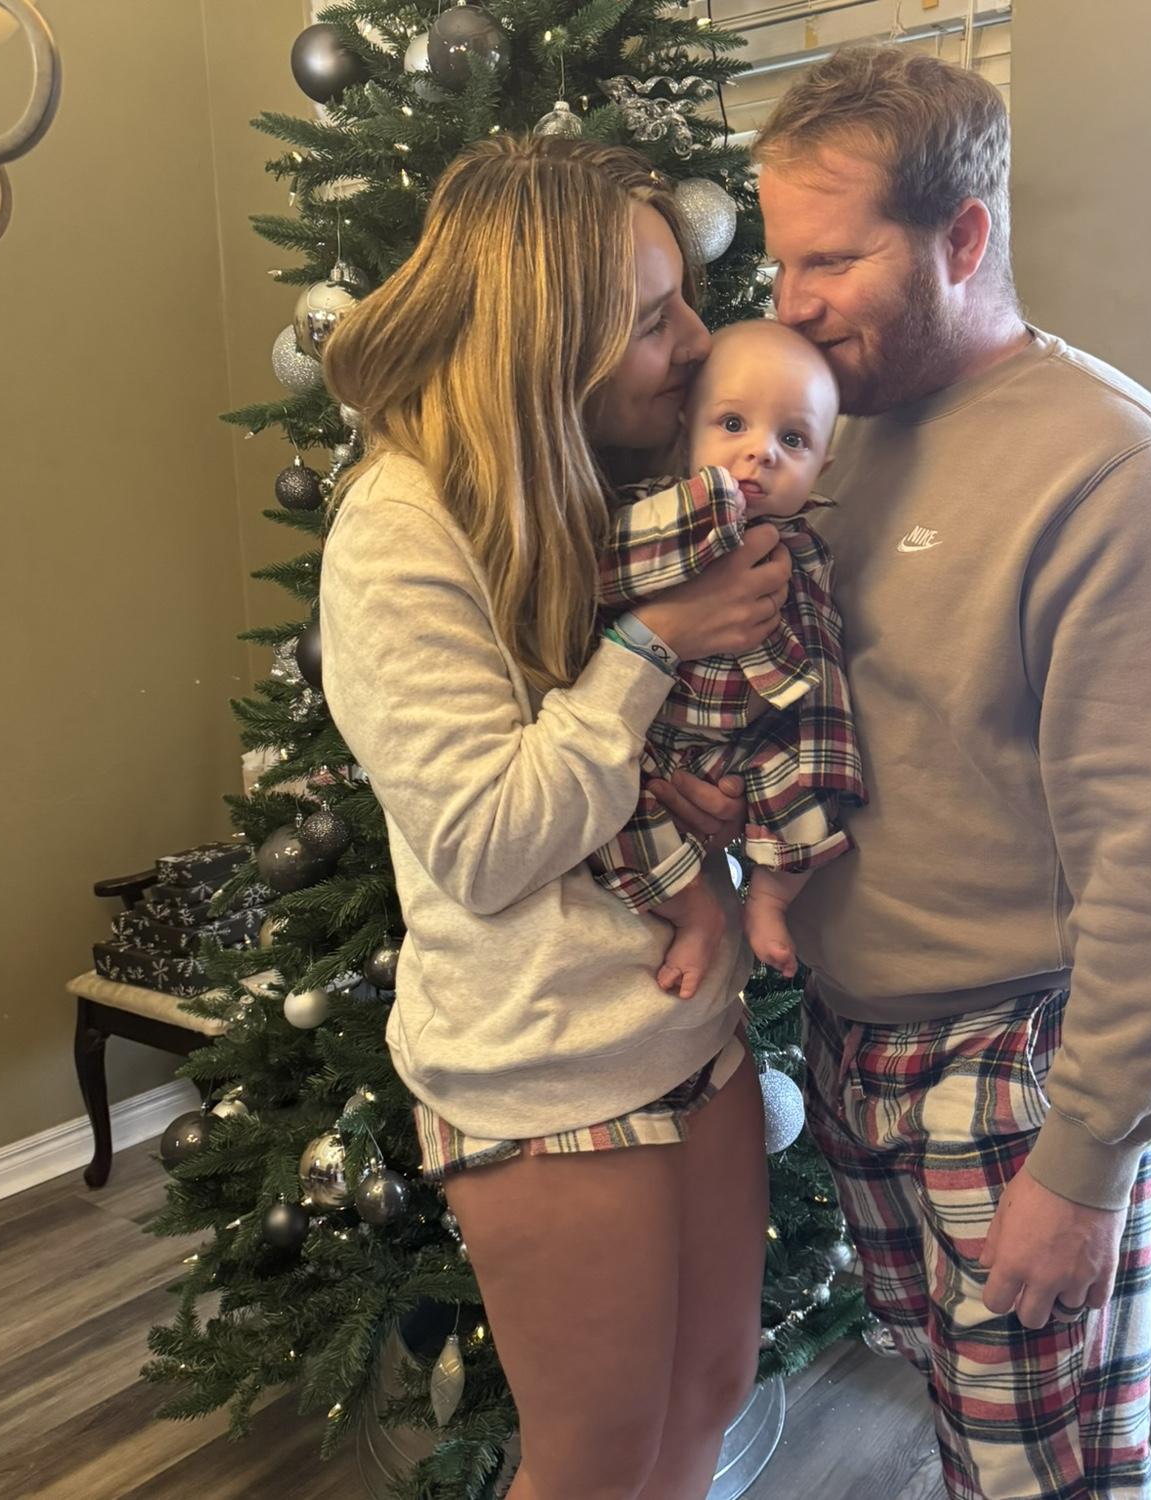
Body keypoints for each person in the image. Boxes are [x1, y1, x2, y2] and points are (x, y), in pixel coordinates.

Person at [657, 44, 1151, 1500]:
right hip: (857, 1042)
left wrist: (1085, 1168)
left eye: (833, 259)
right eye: (781, 257)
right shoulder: (826, 437)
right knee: (967, 1436)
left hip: (1015, 1069)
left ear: (966, 236)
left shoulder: (1124, 481)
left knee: (1042, 1477)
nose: (791, 299)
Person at [318, 137, 791, 1500]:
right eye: (650, 319)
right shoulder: (399, 530)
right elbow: (486, 844)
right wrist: (656, 643)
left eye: (682, 299)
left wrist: (716, 801)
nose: (693, 343)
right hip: (543, 1066)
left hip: (687, 1032)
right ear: (545, 348)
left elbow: (664, 749)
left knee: (709, 1395)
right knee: (593, 1460)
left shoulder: (616, 481)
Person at [590, 318, 865, 999]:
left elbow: (821, 652)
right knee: (613, 814)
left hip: (756, 741)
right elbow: (605, 571)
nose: (760, 453)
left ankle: (768, 896)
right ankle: (695, 914)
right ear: (688, 431)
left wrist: (817, 741)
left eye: (792, 441)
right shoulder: (655, 511)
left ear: (821, 468)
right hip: (656, 741)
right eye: (733, 424)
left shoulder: (807, 550)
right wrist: (713, 504)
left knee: (809, 789)